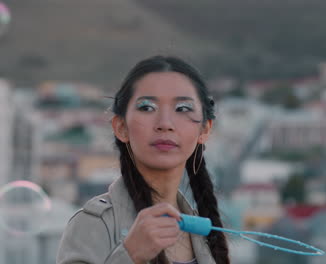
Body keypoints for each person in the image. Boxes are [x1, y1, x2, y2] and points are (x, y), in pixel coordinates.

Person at [56, 56, 230, 264]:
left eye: (183, 108)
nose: (165, 123)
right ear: (121, 127)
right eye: (147, 107)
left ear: (205, 129)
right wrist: (130, 255)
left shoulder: (205, 234)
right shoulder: (93, 225)